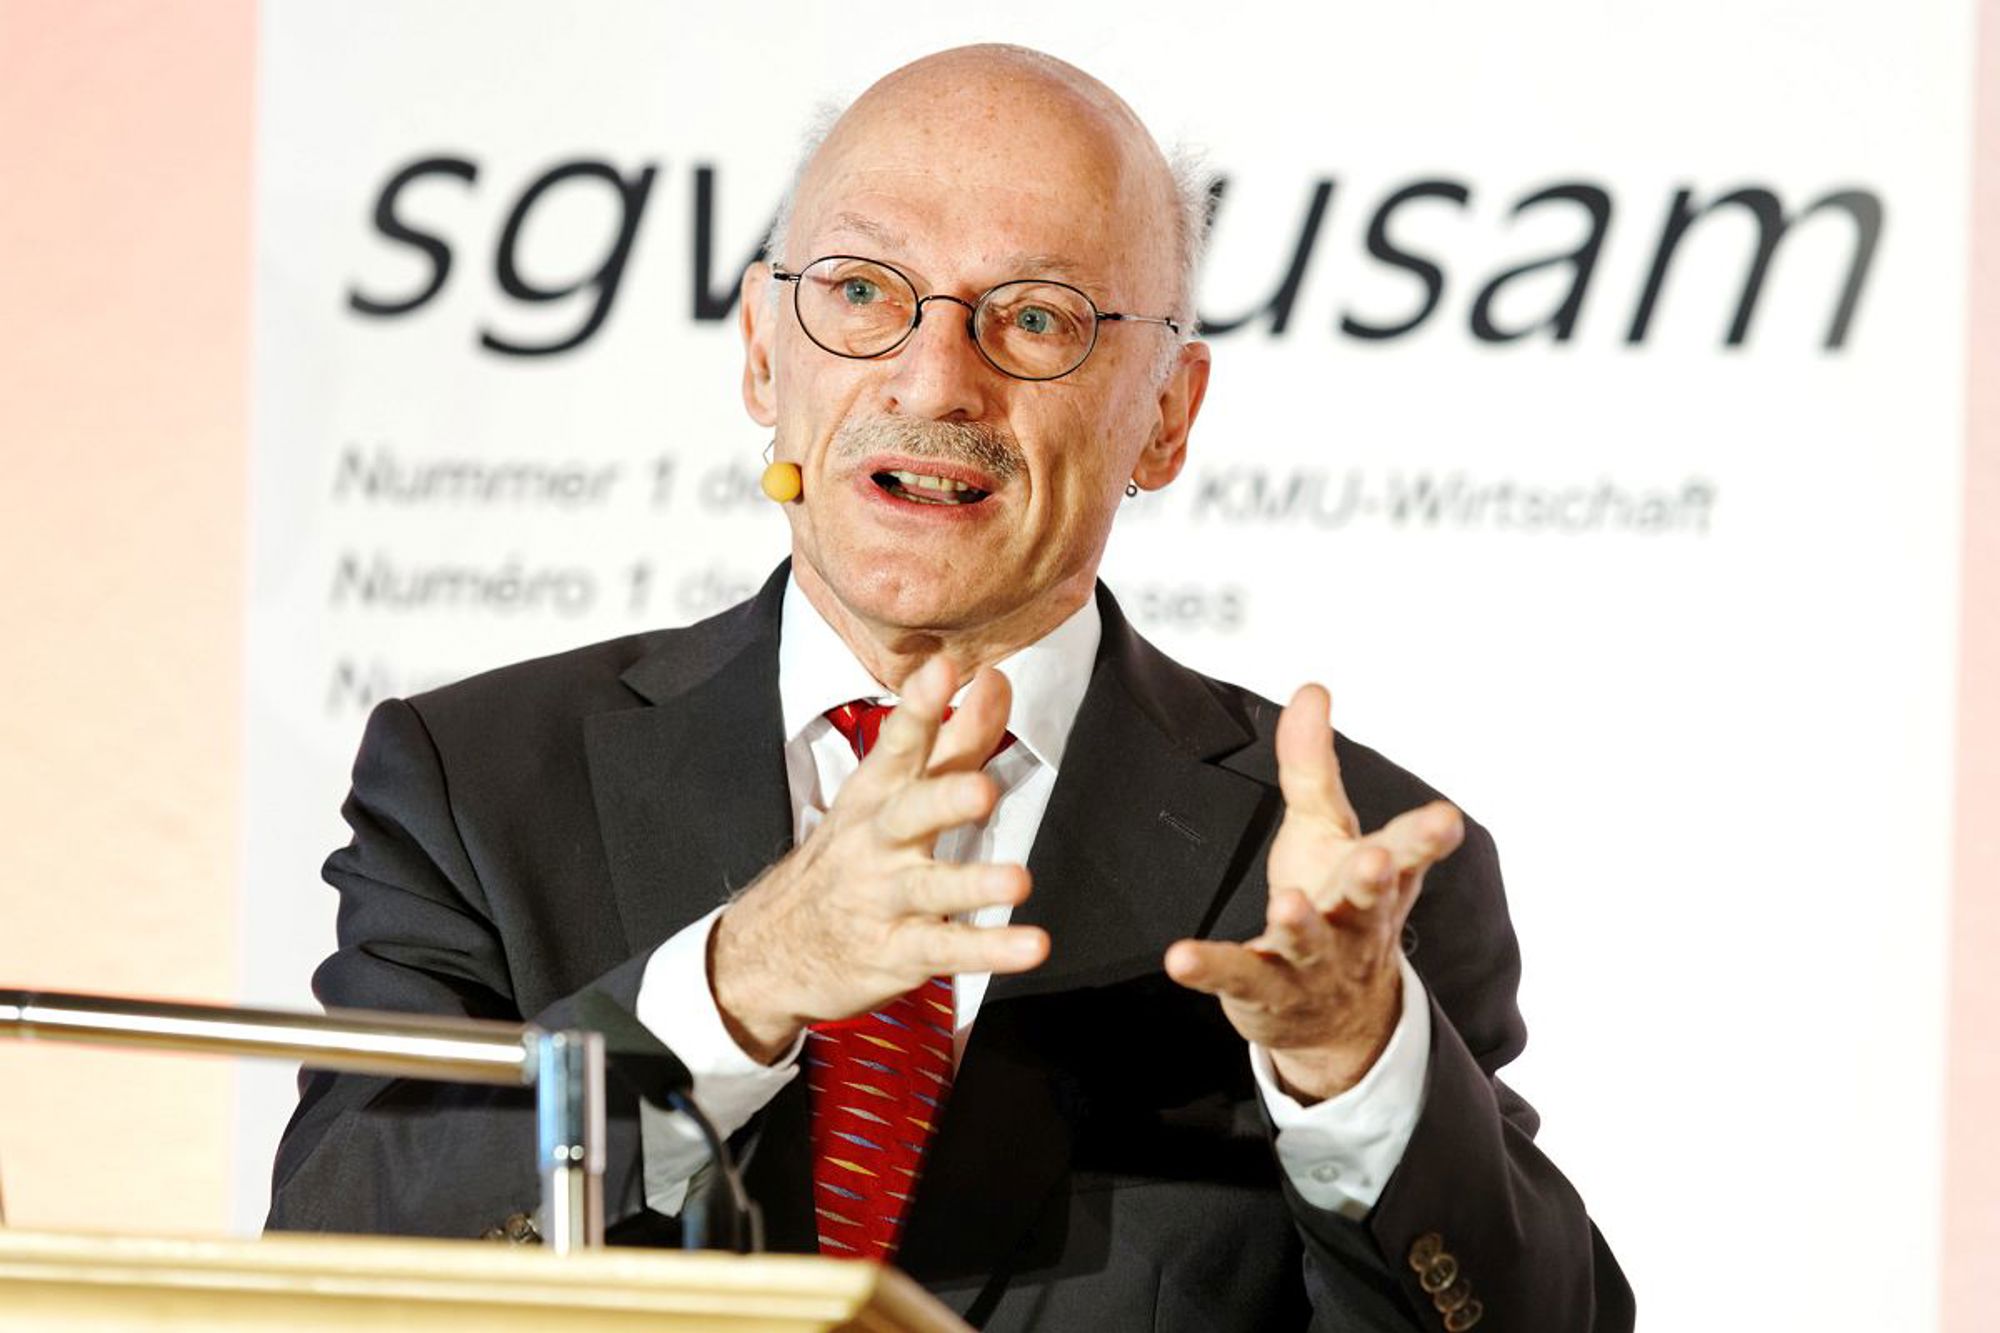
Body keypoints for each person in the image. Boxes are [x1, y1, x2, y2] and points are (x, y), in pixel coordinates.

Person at [268, 44, 1633, 1332]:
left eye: (1035, 319)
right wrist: (742, 979)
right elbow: (334, 1275)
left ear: (1166, 415)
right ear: (763, 351)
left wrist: (1353, 1074)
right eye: (864, 291)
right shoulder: (482, 784)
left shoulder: (1344, 877)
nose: (933, 382)